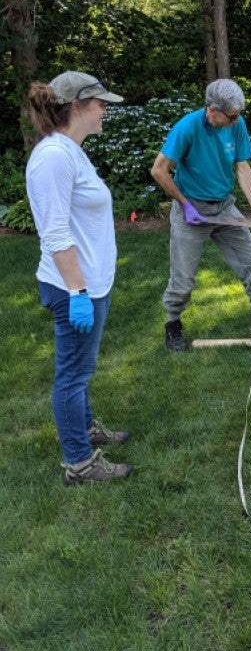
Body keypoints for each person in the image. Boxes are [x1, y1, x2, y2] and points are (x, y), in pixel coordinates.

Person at [25, 71, 133, 485]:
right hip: (73, 287)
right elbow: (54, 233)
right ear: (76, 107)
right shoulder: (53, 157)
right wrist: (78, 292)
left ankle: (85, 429)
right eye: (99, 102)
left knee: (81, 371)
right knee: (72, 375)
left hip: (89, 284)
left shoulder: (71, 151)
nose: (105, 109)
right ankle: (79, 463)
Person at [150, 78, 251, 351]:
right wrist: (185, 204)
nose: (235, 121)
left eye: (238, 115)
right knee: (182, 280)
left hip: (224, 208)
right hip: (192, 210)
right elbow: (159, 170)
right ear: (212, 110)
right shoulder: (187, 128)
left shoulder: (236, 124)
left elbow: (242, 167)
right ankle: (173, 324)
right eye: (231, 116)